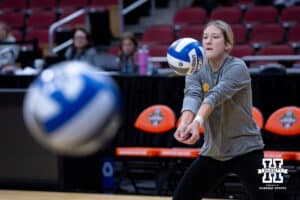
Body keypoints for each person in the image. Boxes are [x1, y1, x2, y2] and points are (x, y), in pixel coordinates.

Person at [173, 20, 273, 200]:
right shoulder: (195, 67)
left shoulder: (238, 67)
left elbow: (215, 96)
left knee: (271, 196)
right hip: (214, 152)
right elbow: (192, 95)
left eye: (215, 37)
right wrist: (184, 123)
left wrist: (197, 122)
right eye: (205, 37)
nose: (208, 41)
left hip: (247, 149)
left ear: (227, 44)